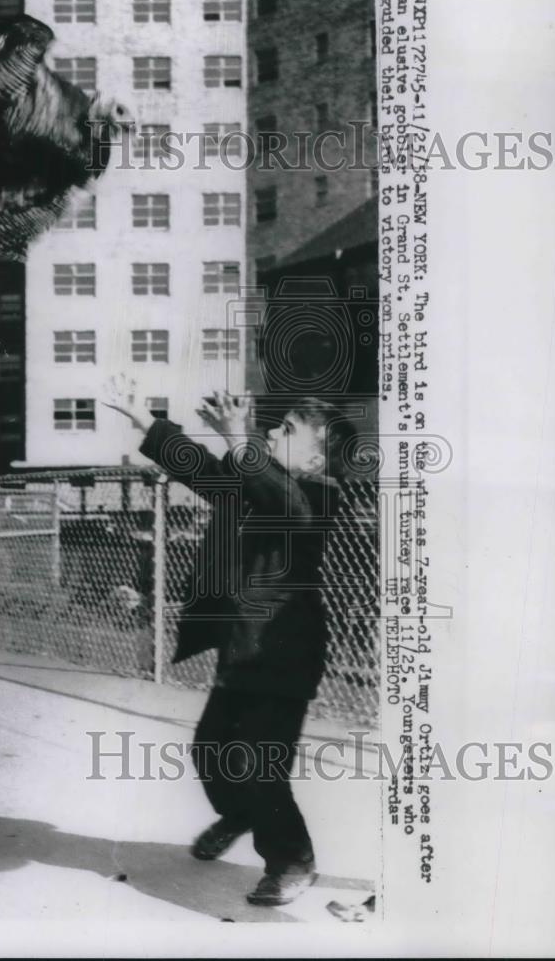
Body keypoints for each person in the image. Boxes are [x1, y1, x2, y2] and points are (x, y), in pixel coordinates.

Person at [102, 375, 356, 907]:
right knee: (211, 749)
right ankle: (239, 813)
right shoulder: (258, 483)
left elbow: (286, 506)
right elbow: (205, 472)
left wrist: (240, 440)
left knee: (262, 762)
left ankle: (292, 858)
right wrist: (145, 421)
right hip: (243, 652)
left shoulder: (318, 494)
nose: (270, 431)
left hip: (284, 653)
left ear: (317, 459)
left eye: (286, 430)